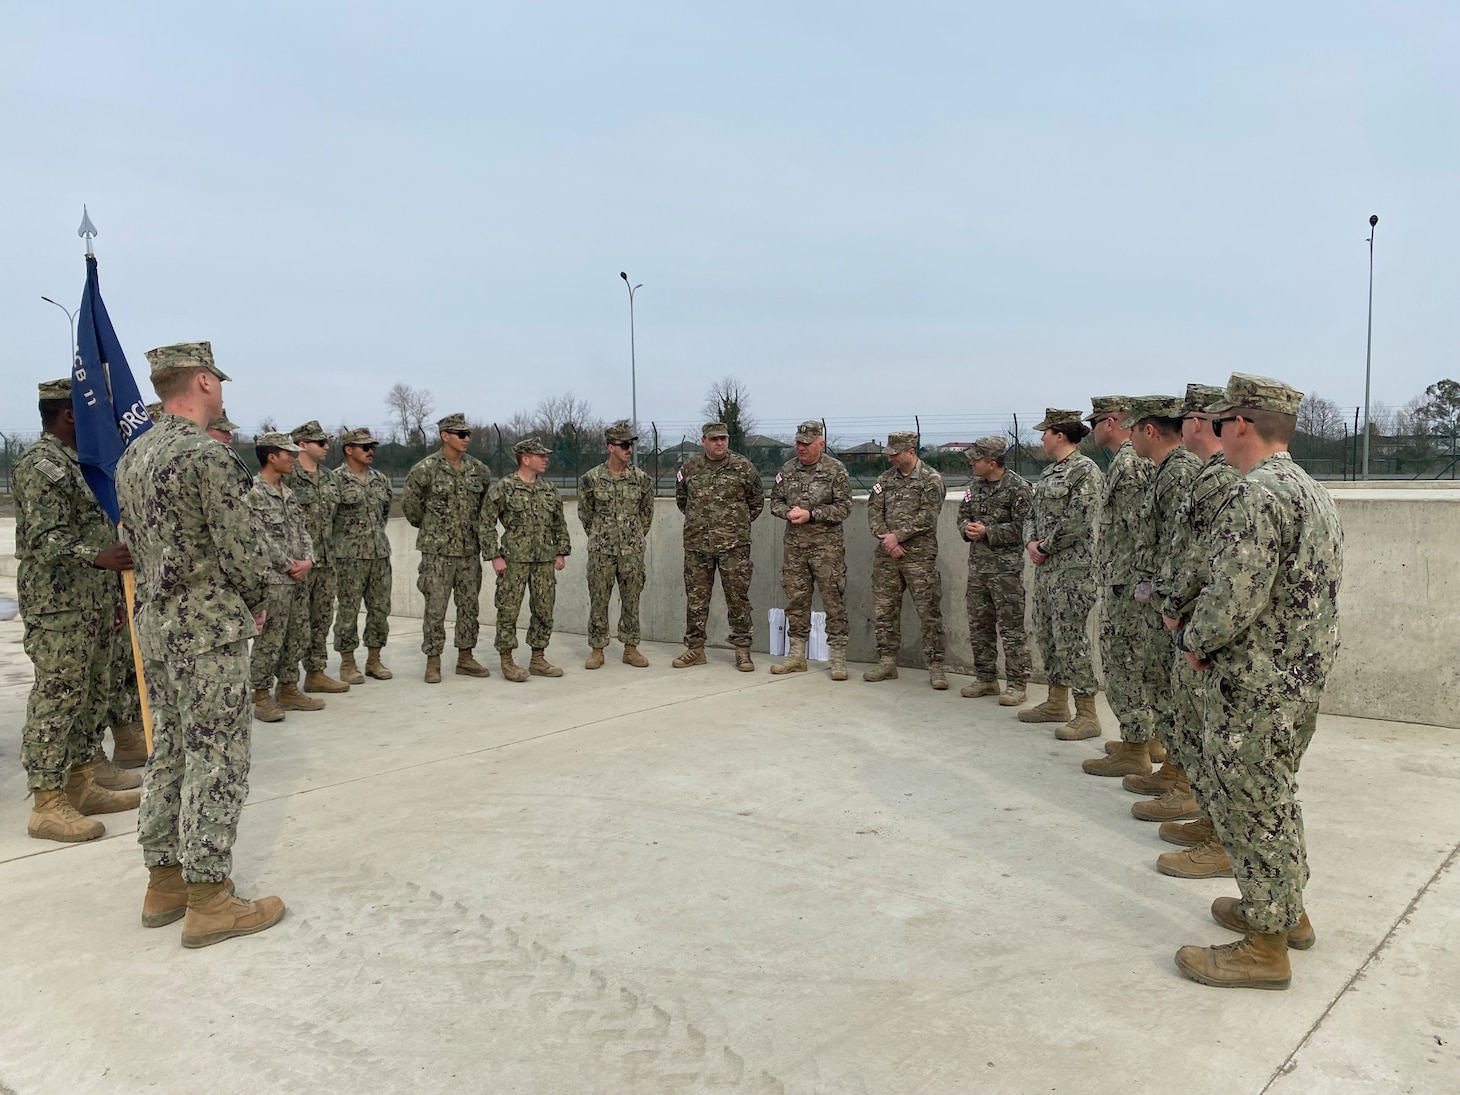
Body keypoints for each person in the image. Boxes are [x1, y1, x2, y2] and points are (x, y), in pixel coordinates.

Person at [1172, 372, 1342, 990]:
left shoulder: (1259, 494)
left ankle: (1266, 949)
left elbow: (1233, 594)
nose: (1215, 430)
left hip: (1255, 683)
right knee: (1274, 798)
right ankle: (1286, 912)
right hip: (1295, 679)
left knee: (1252, 805)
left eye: (1219, 421)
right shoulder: (1309, 489)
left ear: (1240, 424)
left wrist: (1194, 641)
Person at [116, 341, 284, 947]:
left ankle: (163, 880)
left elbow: (132, 539)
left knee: (172, 750)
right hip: (208, 625)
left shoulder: (134, 455)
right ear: (205, 382)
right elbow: (240, 551)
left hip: (157, 624)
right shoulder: (205, 458)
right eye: (220, 383)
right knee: (218, 756)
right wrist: (257, 600)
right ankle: (210, 898)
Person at [15, 378, 140, 843]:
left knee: (92, 694)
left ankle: (82, 782)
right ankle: (46, 803)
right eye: (92, 411)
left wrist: (110, 592)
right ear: (70, 414)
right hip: (59, 605)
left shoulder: (85, 464)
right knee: (59, 695)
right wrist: (96, 556)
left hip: (94, 598)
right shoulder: (41, 464)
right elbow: (41, 537)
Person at [1144, 385, 1243, 872]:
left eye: (1184, 418)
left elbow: (1211, 560)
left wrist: (1180, 608)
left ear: (1197, 422)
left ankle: (1223, 838)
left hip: (1204, 626)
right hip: (1188, 619)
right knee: (1194, 726)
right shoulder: (1209, 474)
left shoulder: (1225, 479)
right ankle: (1211, 820)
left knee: (1212, 735)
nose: (1178, 425)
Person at [1119, 396, 1202, 803]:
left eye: (1132, 428)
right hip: (1159, 599)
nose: (1128, 436)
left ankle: (1183, 781)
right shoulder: (1165, 471)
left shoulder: (1180, 472)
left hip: (1171, 604)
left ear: (1148, 430)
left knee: (1174, 690)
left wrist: (1168, 600)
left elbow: (1181, 545)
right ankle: (1173, 767)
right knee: (1159, 682)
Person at [1080, 396, 1158, 775]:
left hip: (1125, 586)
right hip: (1126, 582)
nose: (1091, 430)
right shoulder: (1126, 461)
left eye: (1094, 422)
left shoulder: (1127, 464)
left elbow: (1140, 531)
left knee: (1123, 665)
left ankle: (1136, 747)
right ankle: (1148, 738)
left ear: (1110, 423)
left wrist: (1137, 586)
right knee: (1137, 664)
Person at [1018, 410, 1105, 736]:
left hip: (1073, 571)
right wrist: (1030, 541)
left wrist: (1045, 546)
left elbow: (1079, 519)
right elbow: (1032, 513)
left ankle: (1087, 714)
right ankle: (1057, 701)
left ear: (1060, 435)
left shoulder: (1085, 471)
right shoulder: (1049, 472)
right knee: (1047, 636)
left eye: (1045, 432)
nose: (1041, 438)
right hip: (1047, 571)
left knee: (1072, 641)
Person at [402, 413, 494, 683]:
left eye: (468, 434)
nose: (466, 439)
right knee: (435, 608)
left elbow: (485, 510)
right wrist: (436, 531)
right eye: (460, 434)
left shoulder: (479, 470)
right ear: (445, 436)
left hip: (468, 551)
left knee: (469, 607)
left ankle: (465, 657)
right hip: (437, 553)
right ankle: (433, 661)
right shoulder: (424, 470)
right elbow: (412, 509)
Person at [672, 422, 765, 671]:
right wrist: (702, 523)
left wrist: (734, 526)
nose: (719, 443)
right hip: (697, 545)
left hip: (733, 546)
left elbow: (756, 502)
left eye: (723, 438)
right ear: (703, 441)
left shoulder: (743, 467)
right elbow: (682, 499)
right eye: (714, 439)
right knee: (696, 599)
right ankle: (695, 649)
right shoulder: (690, 467)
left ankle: (742, 650)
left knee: (737, 598)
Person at [245, 432, 321, 722]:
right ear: (271, 456)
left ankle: (288, 688)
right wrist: (288, 564)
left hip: (298, 578)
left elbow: (303, 531)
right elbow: (256, 536)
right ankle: (261, 695)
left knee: (298, 634)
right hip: (274, 580)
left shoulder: (288, 494)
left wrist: (309, 561)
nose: (293, 458)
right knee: (270, 640)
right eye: (287, 453)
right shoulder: (252, 492)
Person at [768, 420, 853, 679]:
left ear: (821, 443)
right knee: (796, 601)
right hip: (795, 548)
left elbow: (844, 507)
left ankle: (837, 657)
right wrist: (788, 512)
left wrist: (812, 514)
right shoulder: (788, 469)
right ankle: (796, 655)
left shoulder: (835, 470)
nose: (801, 448)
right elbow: (775, 501)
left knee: (833, 601)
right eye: (798, 443)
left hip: (826, 549)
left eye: (806, 443)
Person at [481, 437, 571, 681]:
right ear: (525, 458)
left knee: (544, 609)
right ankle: (507, 660)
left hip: (544, 559)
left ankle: (538, 658)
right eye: (540, 455)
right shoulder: (504, 487)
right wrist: (494, 556)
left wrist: (561, 551)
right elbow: (486, 523)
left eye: (546, 455)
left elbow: (558, 523)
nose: (546, 459)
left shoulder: (549, 490)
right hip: (514, 561)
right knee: (508, 610)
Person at [865, 430, 948, 688]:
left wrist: (898, 536)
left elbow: (928, 516)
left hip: (919, 557)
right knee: (885, 611)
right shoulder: (884, 480)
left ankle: (936, 667)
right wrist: (887, 540)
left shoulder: (931, 479)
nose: (890, 458)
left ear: (910, 452)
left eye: (895, 454)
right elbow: (873, 510)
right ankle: (887, 662)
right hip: (888, 556)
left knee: (929, 613)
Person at [957, 436, 1034, 704]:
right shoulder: (973, 487)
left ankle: (1016, 684)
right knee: (980, 626)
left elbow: (1025, 527)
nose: (972, 465)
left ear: (992, 462)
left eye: (976, 460)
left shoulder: (1018, 488)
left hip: (1005, 572)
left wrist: (989, 532)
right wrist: (966, 529)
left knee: (1011, 629)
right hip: (978, 569)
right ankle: (986, 678)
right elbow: (962, 515)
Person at [578, 421, 655, 669]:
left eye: (631, 444)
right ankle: (597, 649)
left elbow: (646, 513)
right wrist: (601, 535)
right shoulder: (591, 479)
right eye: (623, 445)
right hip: (602, 550)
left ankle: (630, 648)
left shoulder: (641, 479)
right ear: (610, 447)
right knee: (599, 600)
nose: (628, 449)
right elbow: (585, 514)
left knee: (631, 599)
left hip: (631, 551)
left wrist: (634, 536)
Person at [284, 420, 350, 694]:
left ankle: (316, 672)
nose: (326, 447)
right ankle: (286, 682)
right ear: (302, 445)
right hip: (296, 565)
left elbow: (339, 520)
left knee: (322, 620)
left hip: (326, 562)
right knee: (294, 625)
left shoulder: (331, 478)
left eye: (326, 442)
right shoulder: (286, 476)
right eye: (320, 443)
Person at [332, 427, 395, 684]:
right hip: (349, 557)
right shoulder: (335, 480)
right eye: (365, 447)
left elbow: (385, 514)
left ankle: (374, 659)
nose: (371, 452)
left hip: (379, 554)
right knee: (348, 610)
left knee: (380, 610)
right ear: (349, 450)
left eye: (373, 448)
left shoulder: (381, 480)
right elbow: (329, 518)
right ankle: (347, 663)